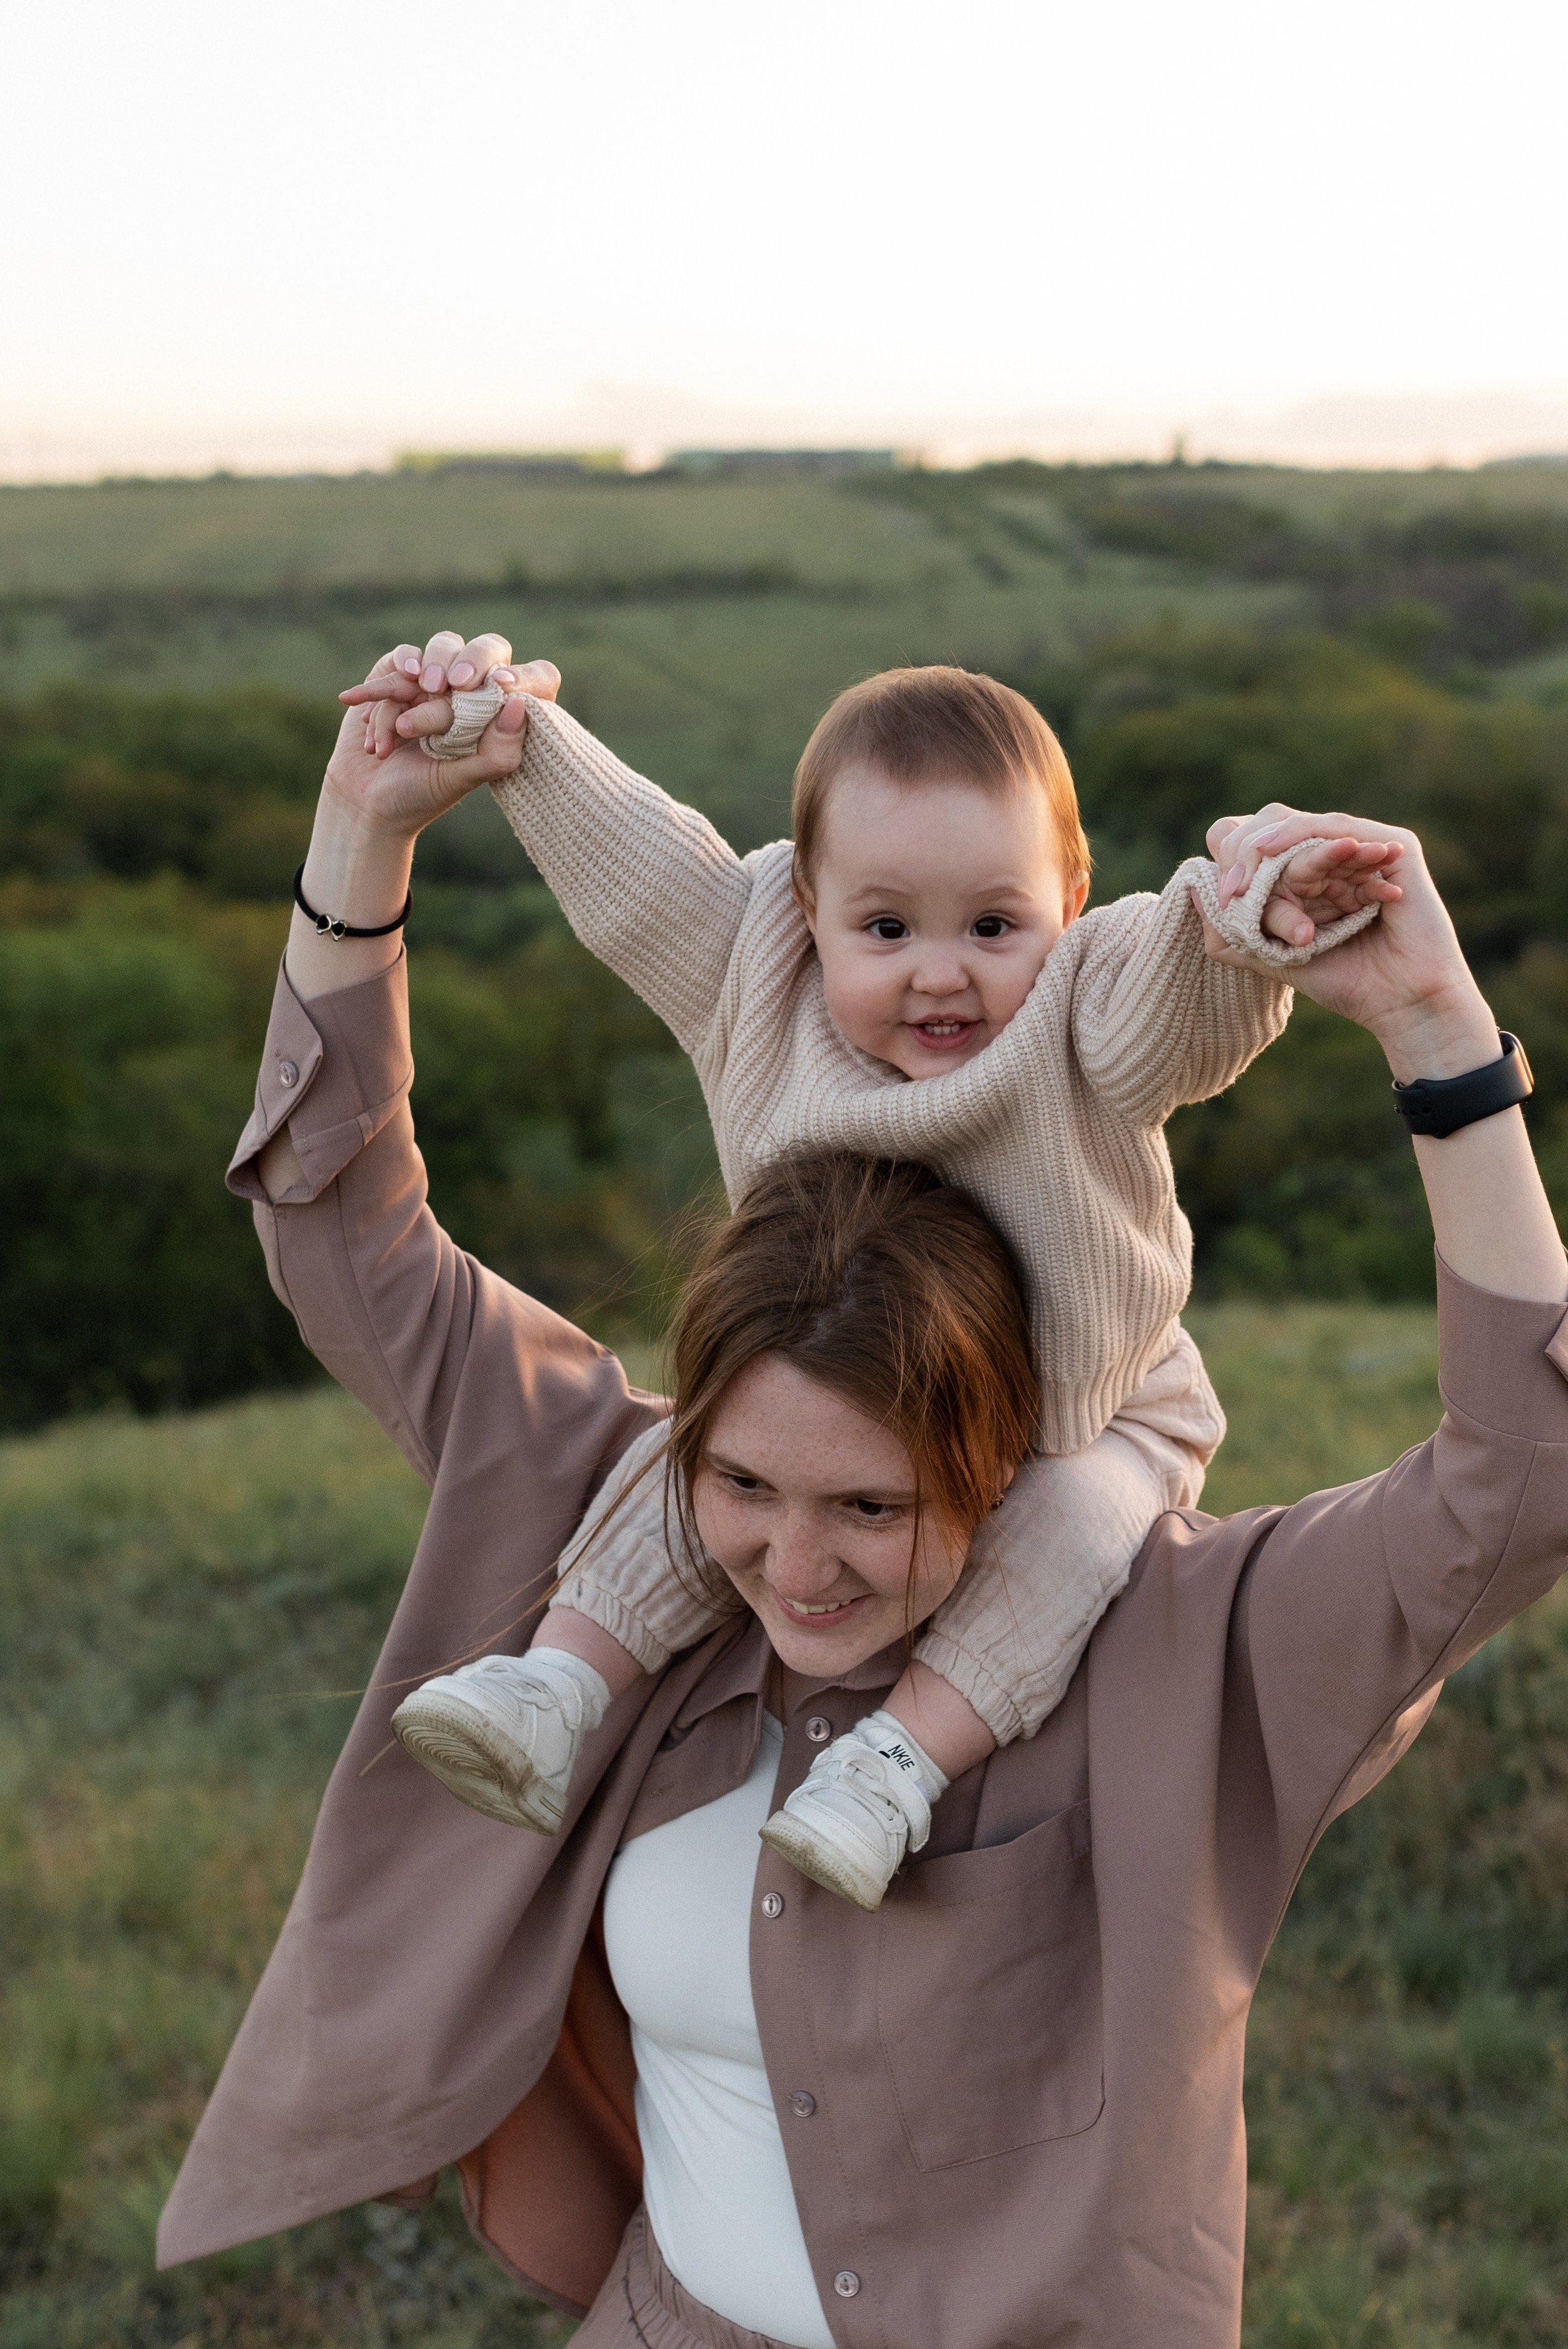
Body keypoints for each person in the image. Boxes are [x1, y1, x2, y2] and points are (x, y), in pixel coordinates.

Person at [156, 630, 1567, 2349]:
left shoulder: (1178, 1647)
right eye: (741, 1481)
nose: (791, 1567)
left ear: (995, 1462)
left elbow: (1523, 1470)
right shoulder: (632, 1511)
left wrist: (1436, 1036)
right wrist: (360, 841)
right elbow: (340, 1225)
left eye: (876, 1512)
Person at [342, 644, 1398, 1910]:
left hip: (1089, 1407)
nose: (940, 971)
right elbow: (640, 867)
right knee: (705, 1466)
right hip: (840, 1398)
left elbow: (1174, 997)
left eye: (994, 924)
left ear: (1068, 899)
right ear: (804, 905)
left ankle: (900, 1760)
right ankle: (556, 1681)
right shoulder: (759, 976)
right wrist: (504, 731)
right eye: (885, 926)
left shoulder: (1079, 1011)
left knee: (1069, 1529)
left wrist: (1244, 925)